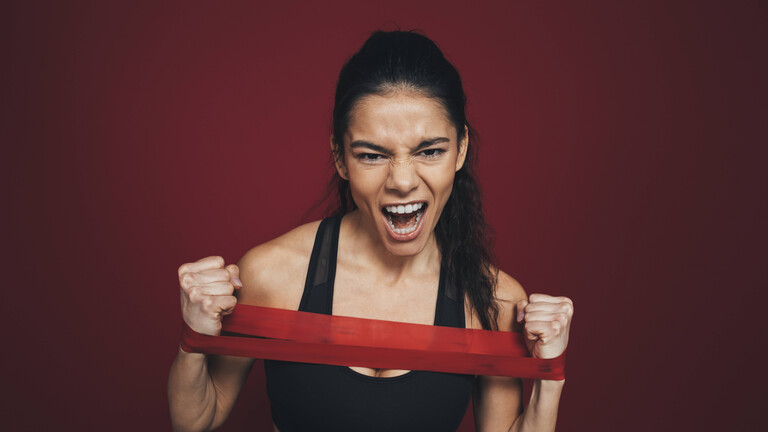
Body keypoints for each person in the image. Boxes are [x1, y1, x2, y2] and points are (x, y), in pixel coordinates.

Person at [168, 30, 574, 432]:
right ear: (341, 160)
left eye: (430, 151)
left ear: (461, 149)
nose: (401, 180)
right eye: (372, 155)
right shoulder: (272, 275)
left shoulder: (494, 301)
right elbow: (196, 419)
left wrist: (550, 373)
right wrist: (194, 337)